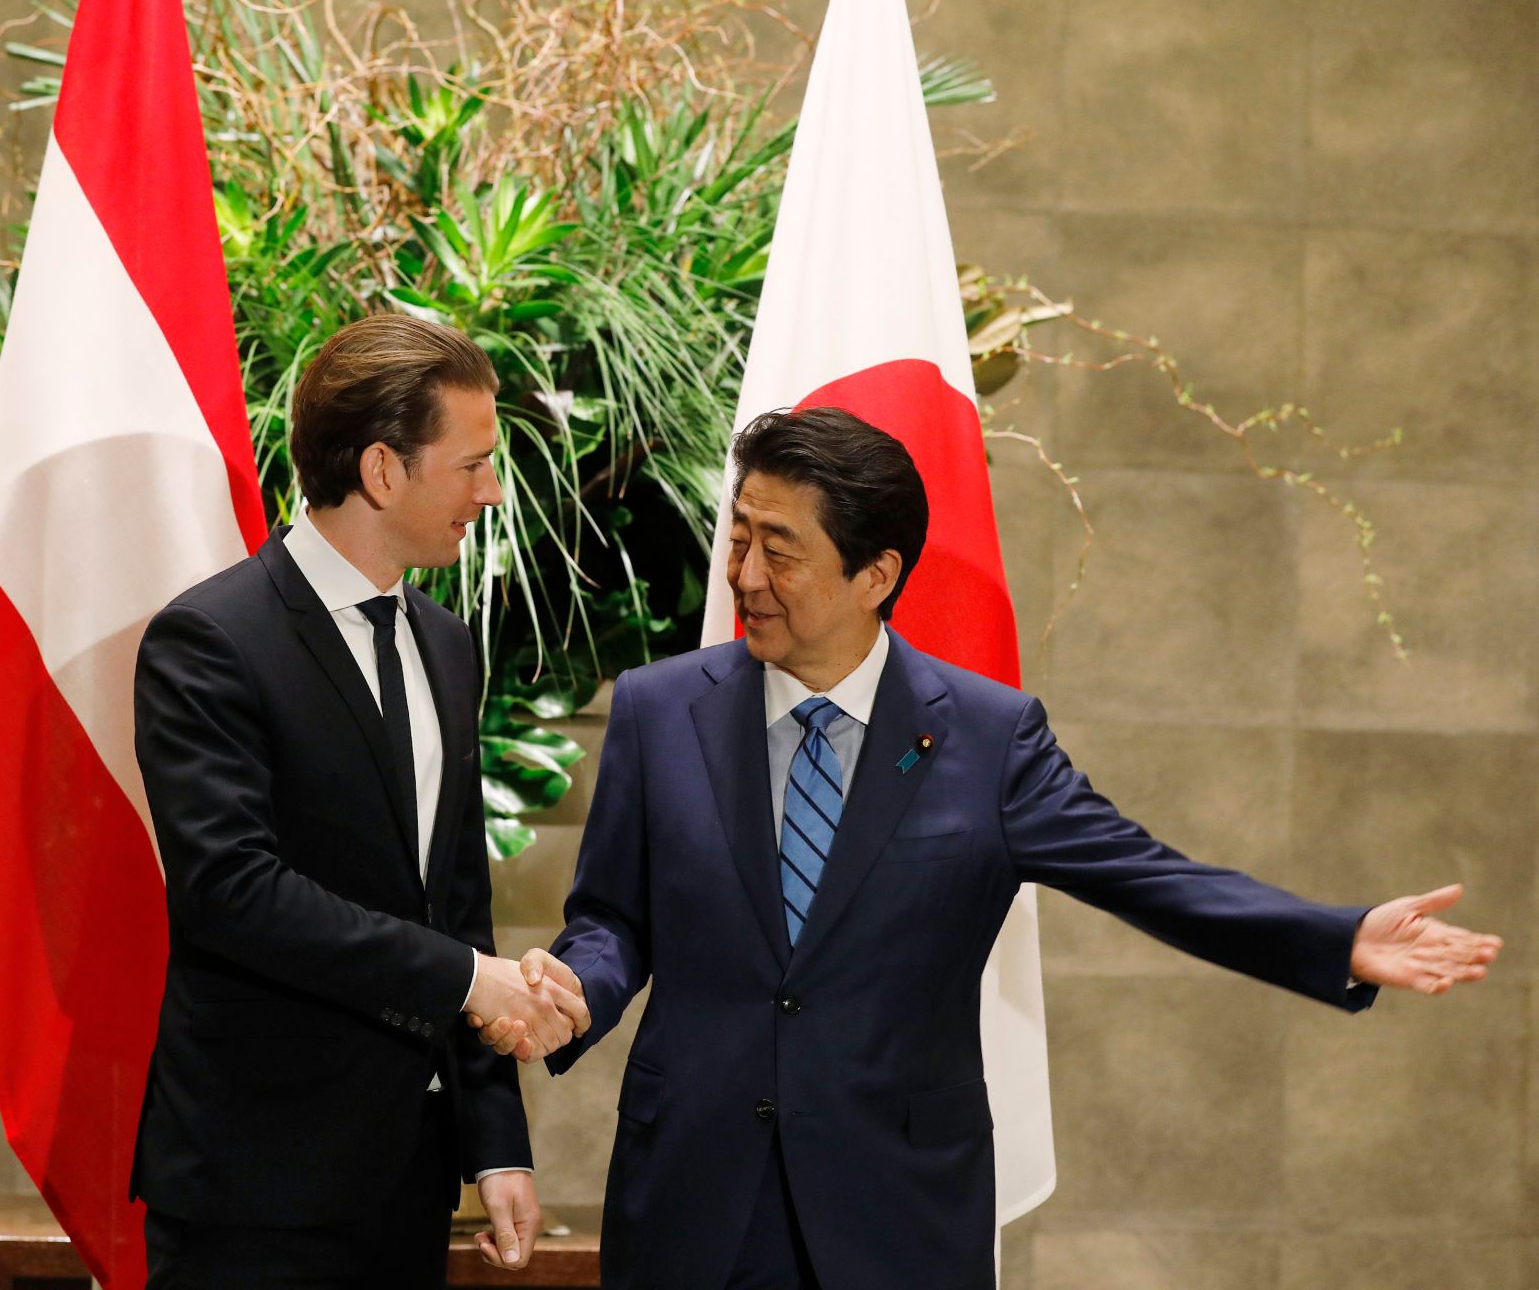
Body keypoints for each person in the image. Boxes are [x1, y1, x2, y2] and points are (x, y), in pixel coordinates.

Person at [480, 406, 1503, 1289]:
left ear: (875, 572)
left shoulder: (987, 736)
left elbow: (1147, 875)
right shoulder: (661, 709)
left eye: (778, 549)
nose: (744, 573)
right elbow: (612, 920)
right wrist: (574, 990)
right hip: (695, 1196)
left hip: (894, 1209)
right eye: (738, 537)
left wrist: (1335, 937)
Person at [128, 314, 590, 1288]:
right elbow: (230, 890)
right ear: (382, 469)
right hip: (253, 1185)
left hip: (407, 1181)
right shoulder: (210, 638)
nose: (490, 492)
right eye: (472, 464)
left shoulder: (446, 644)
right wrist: (468, 978)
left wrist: (495, 1142)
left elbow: (454, 901)